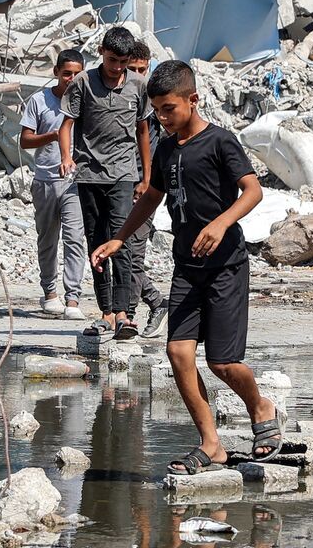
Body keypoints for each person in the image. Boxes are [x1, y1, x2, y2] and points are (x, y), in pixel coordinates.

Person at [91, 60, 282, 475]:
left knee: (222, 363)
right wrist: (120, 236)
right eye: (156, 110)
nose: (161, 117)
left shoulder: (219, 142)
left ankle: (260, 405)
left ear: (192, 100)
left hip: (226, 265)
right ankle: (211, 443)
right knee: (178, 352)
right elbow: (151, 197)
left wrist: (221, 222)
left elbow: (253, 191)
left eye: (168, 109)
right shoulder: (164, 147)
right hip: (186, 267)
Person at [59, 26, 152, 340]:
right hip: (89, 175)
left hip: (124, 175)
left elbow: (142, 132)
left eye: (122, 62)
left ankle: (125, 313)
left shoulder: (138, 85)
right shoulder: (83, 83)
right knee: (96, 242)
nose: (117, 68)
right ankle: (106, 312)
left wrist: (147, 176)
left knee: (121, 240)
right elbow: (67, 124)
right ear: (101, 52)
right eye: (112, 60)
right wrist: (67, 157)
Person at [19, 49, 87, 320]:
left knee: (74, 239)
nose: (71, 79)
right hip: (45, 180)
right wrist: (53, 136)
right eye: (67, 73)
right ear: (56, 72)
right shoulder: (39, 101)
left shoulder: (86, 101)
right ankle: (50, 293)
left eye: (77, 74)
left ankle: (73, 298)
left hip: (74, 181)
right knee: (48, 239)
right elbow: (25, 140)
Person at [125, 40, 168, 338]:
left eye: (143, 70)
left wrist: (150, 183)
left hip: (145, 190)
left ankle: (127, 317)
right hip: (117, 185)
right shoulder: (118, 100)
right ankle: (153, 301)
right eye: (132, 70)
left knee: (132, 253)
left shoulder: (156, 107)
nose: (138, 76)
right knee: (115, 250)